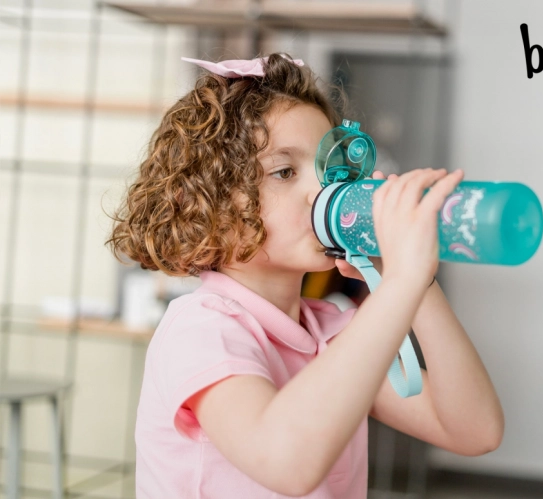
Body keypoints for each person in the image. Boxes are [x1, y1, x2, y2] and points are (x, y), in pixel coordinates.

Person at [106, 52, 504, 498]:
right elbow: (285, 463)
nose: (323, 190)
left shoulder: (331, 331)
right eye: (284, 172)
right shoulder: (201, 330)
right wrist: (400, 285)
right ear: (208, 204)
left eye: (329, 171)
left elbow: (475, 430)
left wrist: (416, 279)